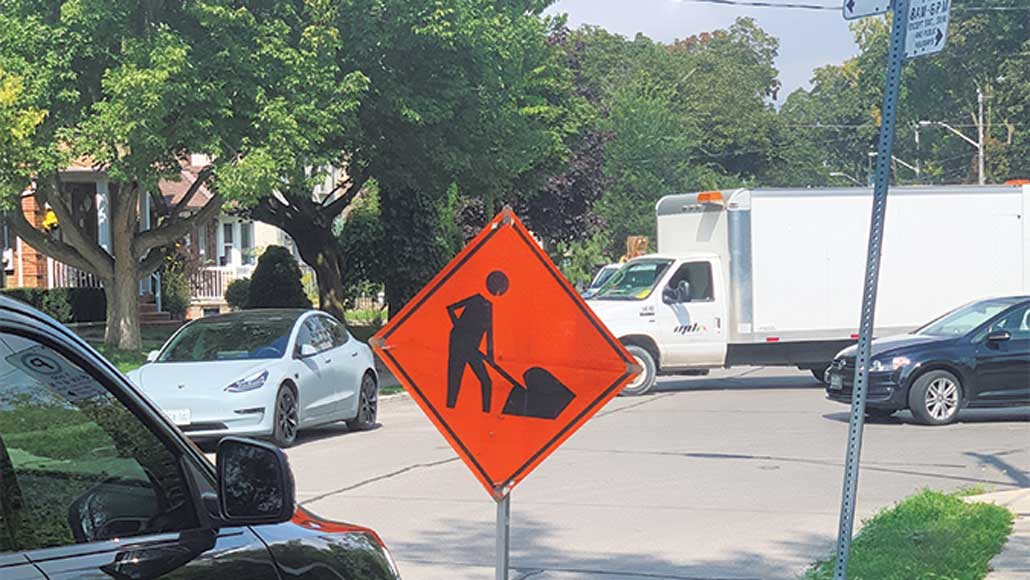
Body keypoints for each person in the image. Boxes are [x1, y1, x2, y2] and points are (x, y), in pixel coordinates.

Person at [446, 271, 509, 413]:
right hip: (458, 343)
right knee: (455, 378)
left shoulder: (490, 309)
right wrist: (459, 327)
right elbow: (451, 308)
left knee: (486, 381)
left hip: (472, 348)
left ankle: (486, 414)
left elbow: (489, 336)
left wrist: (490, 358)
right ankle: (450, 409)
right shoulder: (476, 299)